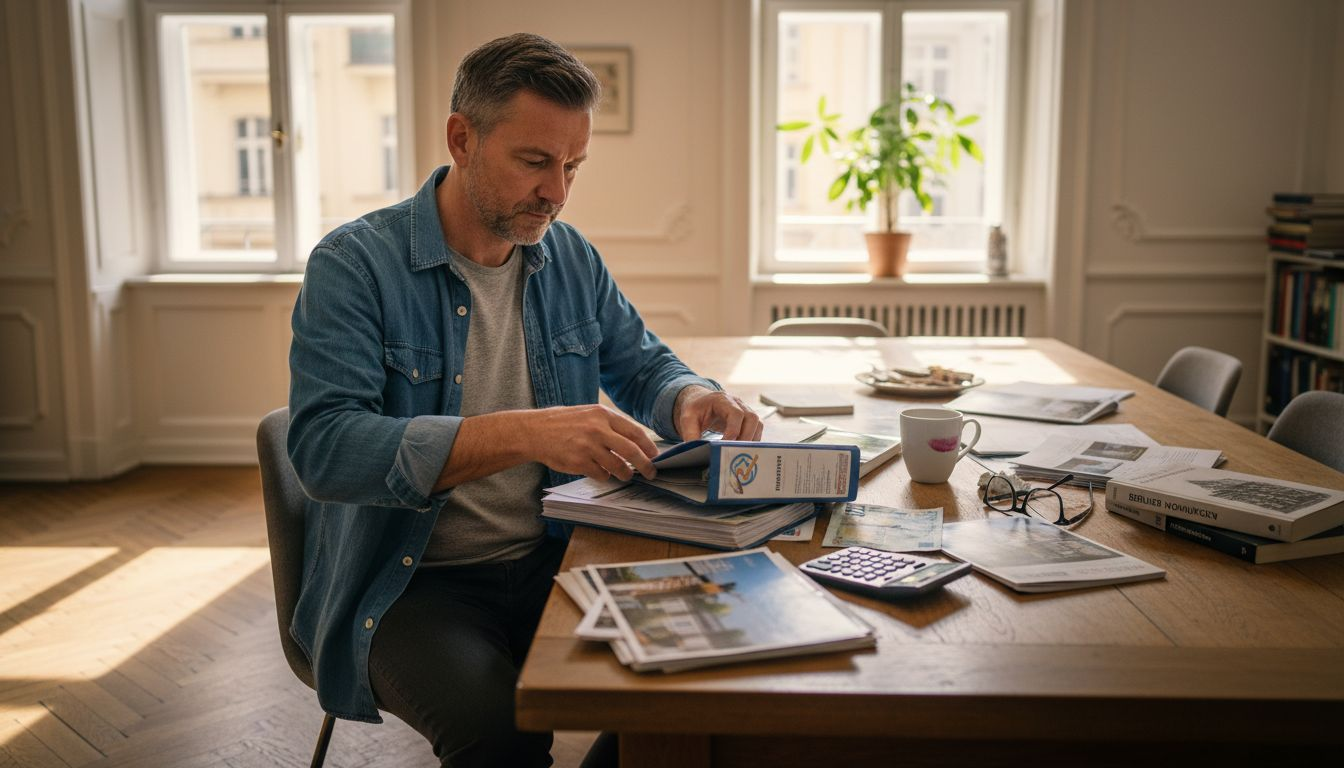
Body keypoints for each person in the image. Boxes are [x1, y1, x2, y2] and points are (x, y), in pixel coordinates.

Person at [285, 32, 763, 767]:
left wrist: (691, 395)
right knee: (500, 738)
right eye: (536, 162)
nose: (558, 192)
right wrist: (524, 433)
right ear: (461, 139)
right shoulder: (353, 267)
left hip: (554, 558)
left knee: (692, 697)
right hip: (414, 585)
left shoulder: (568, 254)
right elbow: (325, 448)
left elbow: (642, 364)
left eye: (573, 165)